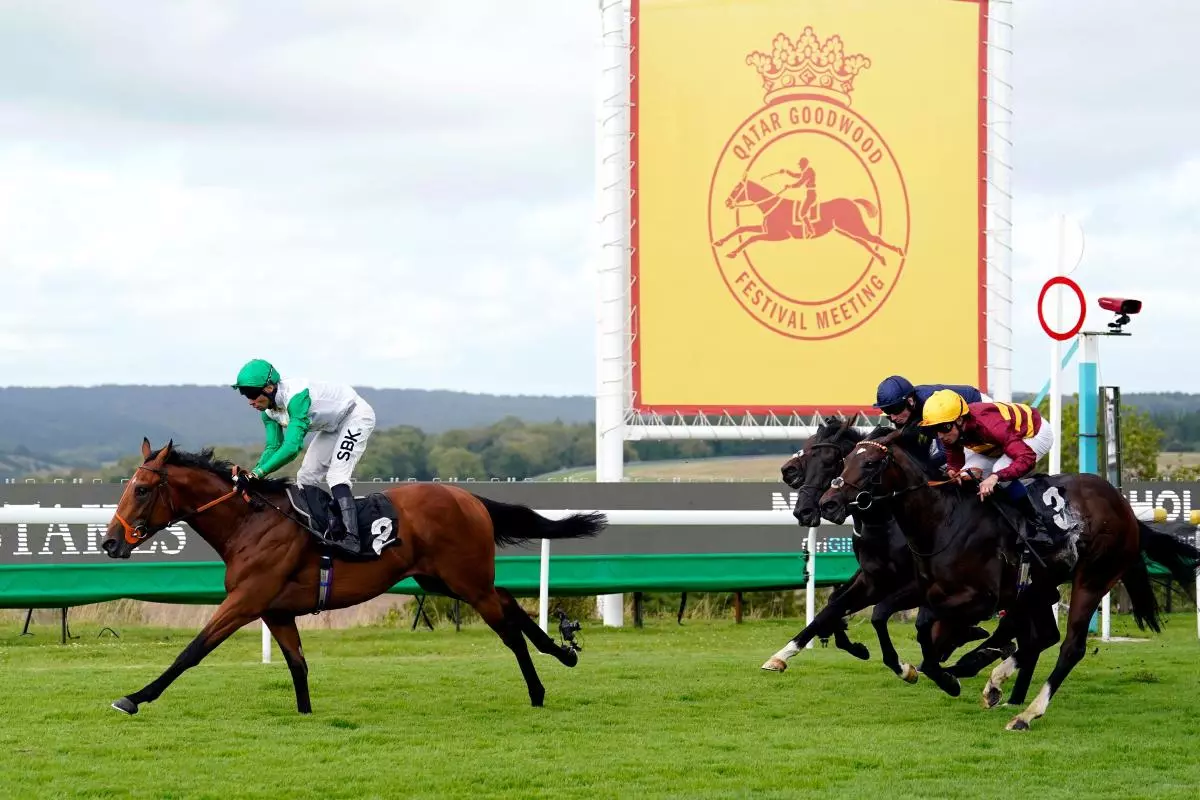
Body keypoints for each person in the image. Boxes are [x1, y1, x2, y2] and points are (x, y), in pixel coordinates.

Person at [230, 359, 376, 549]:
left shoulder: (296, 397)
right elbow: (273, 447)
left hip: (355, 416)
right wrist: (253, 474)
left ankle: (352, 538)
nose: (250, 402)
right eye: (245, 395)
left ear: (269, 388)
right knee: (305, 477)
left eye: (251, 394)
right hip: (332, 427)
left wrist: (257, 475)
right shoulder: (268, 412)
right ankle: (324, 529)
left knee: (337, 475)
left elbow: (291, 448)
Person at [917, 388, 1064, 555]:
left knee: (999, 471)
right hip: (998, 442)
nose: (940, 435)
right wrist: (953, 470)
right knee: (966, 474)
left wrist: (996, 477)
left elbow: (1026, 458)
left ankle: (1038, 526)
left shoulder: (989, 424)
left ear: (959, 420)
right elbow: (954, 457)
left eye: (943, 428)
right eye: (934, 430)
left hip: (1033, 434)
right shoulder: (951, 430)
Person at [872, 375, 992, 475]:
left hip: (978, 408)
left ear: (910, 401)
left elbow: (945, 451)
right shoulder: (911, 406)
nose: (892, 417)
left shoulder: (928, 405)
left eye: (895, 409)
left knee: (967, 472)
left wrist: (923, 468)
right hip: (954, 420)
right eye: (887, 411)